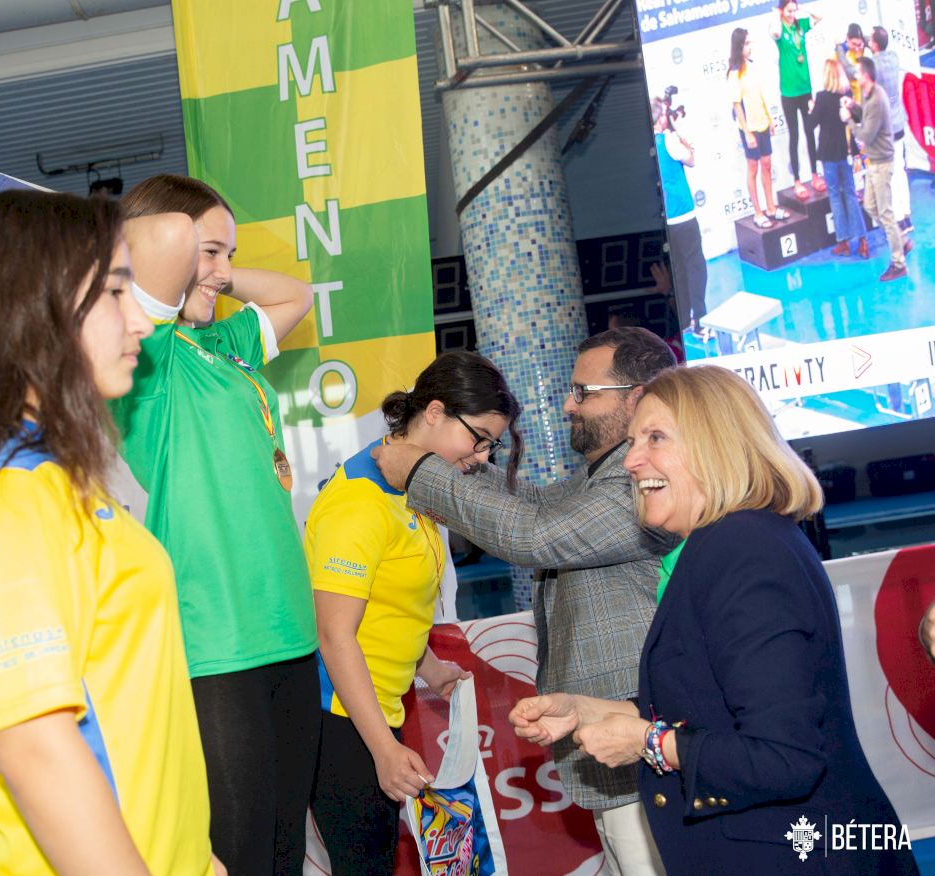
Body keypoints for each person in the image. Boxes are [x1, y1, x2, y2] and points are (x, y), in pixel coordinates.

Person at [0, 190, 221, 875]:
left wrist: (192, 855)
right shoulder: (8, 501)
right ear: (33, 311)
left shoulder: (54, 481)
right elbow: (37, 749)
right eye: (115, 291)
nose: (139, 320)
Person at [509, 366, 919, 876]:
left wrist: (646, 742)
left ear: (716, 445)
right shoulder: (718, 546)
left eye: (656, 438)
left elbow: (782, 756)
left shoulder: (743, 549)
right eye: (634, 441)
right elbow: (714, 702)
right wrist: (588, 710)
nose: (632, 461)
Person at [374, 328, 678, 876]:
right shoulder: (608, 474)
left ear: (636, 397)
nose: (567, 406)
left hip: (639, 754)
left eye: (583, 392)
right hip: (615, 762)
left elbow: (538, 534)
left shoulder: (646, 482)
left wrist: (421, 472)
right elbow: (534, 503)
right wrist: (461, 461)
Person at [110, 173, 318, 875]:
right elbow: (151, 239)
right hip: (216, 641)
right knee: (240, 852)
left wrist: (215, 272)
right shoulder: (150, 352)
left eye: (232, 254)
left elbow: (296, 296)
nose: (225, 270)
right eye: (211, 251)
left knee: (287, 849)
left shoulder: (225, 345)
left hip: (289, 628)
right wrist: (188, 262)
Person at [307, 351, 520, 875]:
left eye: (491, 446)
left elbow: (390, 603)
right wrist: (382, 748)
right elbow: (334, 634)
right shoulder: (360, 501)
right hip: (343, 720)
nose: (481, 458)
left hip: (378, 709)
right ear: (434, 412)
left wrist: (430, 667)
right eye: (478, 439)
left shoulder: (409, 491)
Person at [841, 57, 911, 282]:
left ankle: (898, 263)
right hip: (875, 161)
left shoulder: (877, 99)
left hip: (882, 163)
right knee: (871, 206)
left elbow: (865, 136)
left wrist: (848, 120)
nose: (855, 75)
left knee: (885, 213)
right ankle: (900, 240)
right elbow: (866, 116)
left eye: (857, 72)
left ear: (866, 75)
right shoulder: (869, 95)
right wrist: (853, 107)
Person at [651, 96, 708, 337]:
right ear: (661, 117)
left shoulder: (652, 145)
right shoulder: (668, 140)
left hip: (667, 220)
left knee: (680, 271)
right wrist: (682, 136)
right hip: (683, 215)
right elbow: (691, 160)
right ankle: (701, 321)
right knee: (696, 267)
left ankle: (684, 321)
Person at [728, 28, 789, 229]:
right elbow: (737, 105)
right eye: (746, 43)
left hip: (762, 123)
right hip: (749, 128)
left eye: (750, 42)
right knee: (753, 168)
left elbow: (761, 96)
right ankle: (758, 212)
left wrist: (770, 119)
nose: (750, 47)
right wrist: (747, 133)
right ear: (738, 46)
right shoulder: (734, 73)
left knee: (767, 164)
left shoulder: (753, 66)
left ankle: (771, 207)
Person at [811, 59, 869, 258]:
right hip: (846, 152)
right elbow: (859, 118)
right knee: (851, 194)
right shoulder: (847, 96)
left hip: (829, 154)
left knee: (835, 196)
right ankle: (863, 241)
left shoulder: (821, 98)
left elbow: (810, 125)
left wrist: (812, 109)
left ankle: (843, 242)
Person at [771, 1, 825, 200]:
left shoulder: (800, 24)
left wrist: (801, 9)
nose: (792, 14)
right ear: (781, 11)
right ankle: (797, 181)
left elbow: (819, 17)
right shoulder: (779, 28)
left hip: (805, 89)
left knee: (810, 132)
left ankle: (814, 174)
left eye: (794, 10)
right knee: (794, 136)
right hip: (789, 93)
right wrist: (778, 15)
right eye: (789, 10)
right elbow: (775, 32)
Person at [869, 26, 913, 234]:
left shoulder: (873, 65)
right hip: (899, 121)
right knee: (901, 171)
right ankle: (907, 216)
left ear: (874, 44)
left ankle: (899, 219)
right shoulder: (894, 57)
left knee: (892, 173)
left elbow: (856, 72)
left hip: (886, 126)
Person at [836, 23, 867, 102]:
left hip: (865, 99)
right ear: (847, 39)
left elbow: (875, 38)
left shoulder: (862, 48)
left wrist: (864, 42)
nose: (856, 48)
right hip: (850, 100)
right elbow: (850, 73)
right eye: (854, 44)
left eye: (859, 44)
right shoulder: (840, 53)